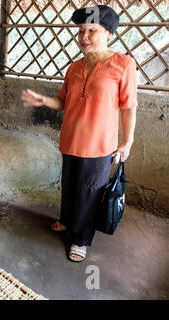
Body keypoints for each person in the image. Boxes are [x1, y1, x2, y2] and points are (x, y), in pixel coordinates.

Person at [21, 5, 137, 262]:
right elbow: (62, 102)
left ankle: (81, 239)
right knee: (71, 187)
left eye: (91, 31)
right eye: (81, 31)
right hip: (70, 140)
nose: (84, 37)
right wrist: (43, 101)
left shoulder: (123, 65)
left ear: (108, 33)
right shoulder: (74, 68)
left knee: (90, 191)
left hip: (99, 145)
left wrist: (127, 140)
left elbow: (128, 107)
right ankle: (66, 220)